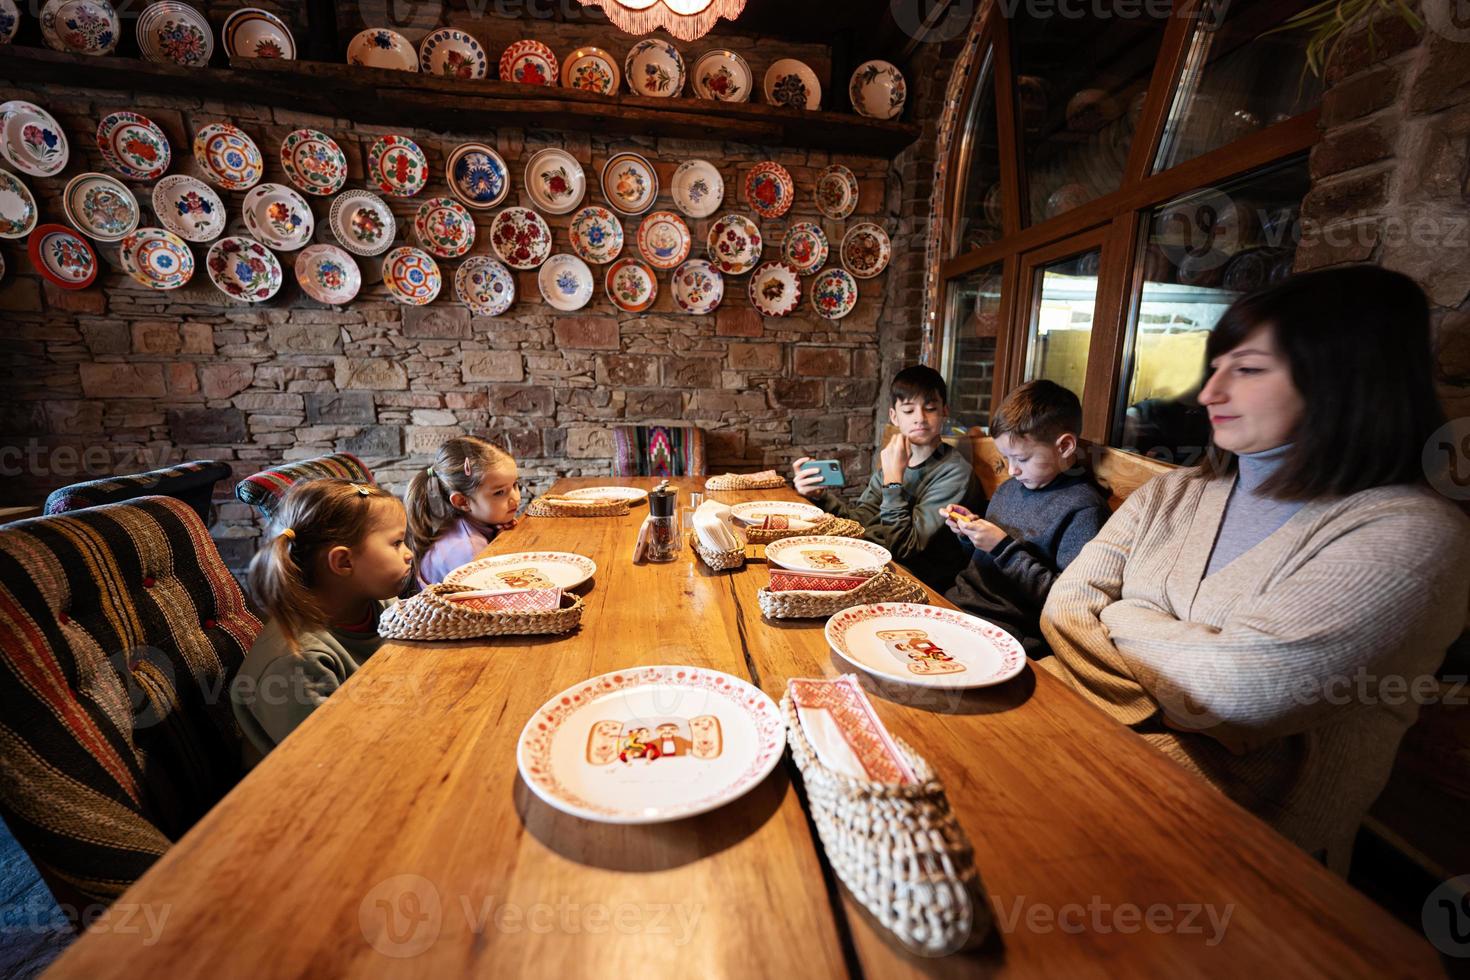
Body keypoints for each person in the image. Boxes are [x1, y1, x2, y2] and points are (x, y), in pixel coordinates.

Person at [1038, 265, 1470, 873]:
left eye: (1247, 369)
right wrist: (1176, 699)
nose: (1208, 393)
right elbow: (1063, 605)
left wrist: (1121, 615)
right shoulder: (1177, 490)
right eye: (1217, 368)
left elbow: (1241, 691)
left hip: (1243, 843)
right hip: (1081, 740)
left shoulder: (1412, 533)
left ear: (1342, 377)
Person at [232, 479, 413, 760]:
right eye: (397, 543)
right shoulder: (298, 663)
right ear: (343, 562)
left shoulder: (380, 605)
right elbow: (330, 759)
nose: (409, 553)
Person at [942, 380, 1109, 656]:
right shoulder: (1012, 488)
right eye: (1006, 458)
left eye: (1021, 458)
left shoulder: (1084, 510)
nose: (1011, 471)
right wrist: (968, 533)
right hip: (959, 606)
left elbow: (1065, 603)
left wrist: (1002, 547)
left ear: (1065, 446)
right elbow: (984, 563)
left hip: (1008, 633)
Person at [793, 365, 982, 590]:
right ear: (894, 416)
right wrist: (820, 497)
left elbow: (905, 549)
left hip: (918, 583)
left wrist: (893, 480)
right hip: (874, 564)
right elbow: (859, 522)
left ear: (944, 411)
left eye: (930, 408)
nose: (920, 418)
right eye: (909, 410)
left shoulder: (955, 472)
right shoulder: (897, 458)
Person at [405, 435, 521, 587]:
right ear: (463, 502)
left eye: (515, 485)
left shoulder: (477, 522)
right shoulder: (469, 551)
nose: (515, 498)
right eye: (499, 492)